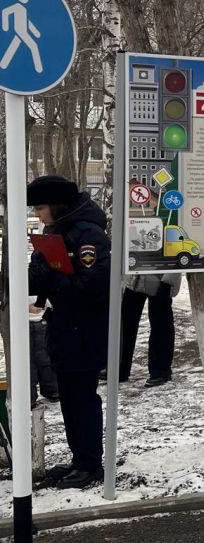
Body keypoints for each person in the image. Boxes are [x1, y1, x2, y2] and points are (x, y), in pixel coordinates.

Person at [27, 175, 109, 489]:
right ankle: (79, 459)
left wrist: (53, 278)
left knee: (83, 400)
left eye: (41, 207)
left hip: (85, 331)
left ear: (58, 205)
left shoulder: (89, 235)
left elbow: (93, 287)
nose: (38, 214)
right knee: (70, 400)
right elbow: (44, 278)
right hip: (63, 328)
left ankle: (90, 464)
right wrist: (38, 273)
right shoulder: (56, 232)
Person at [119, 273, 182, 387]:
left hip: (161, 281)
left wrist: (168, 282)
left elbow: (176, 262)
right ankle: (119, 367)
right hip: (135, 278)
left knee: (161, 327)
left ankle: (161, 371)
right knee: (125, 324)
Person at [29, 296, 59, 404]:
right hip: (22, 322)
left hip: (44, 320)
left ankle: (52, 390)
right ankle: (29, 396)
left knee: (47, 358)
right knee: (27, 363)